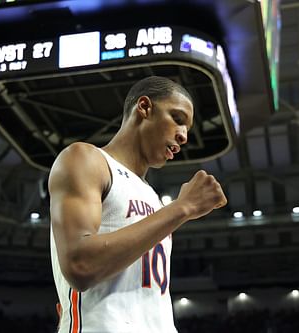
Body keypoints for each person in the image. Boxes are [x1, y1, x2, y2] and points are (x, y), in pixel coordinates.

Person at [49, 76, 227, 332]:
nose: (184, 136)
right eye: (177, 119)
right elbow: (80, 264)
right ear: (144, 107)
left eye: (187, 127)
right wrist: (181, 208)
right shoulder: (86, 159)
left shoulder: (153, 197)